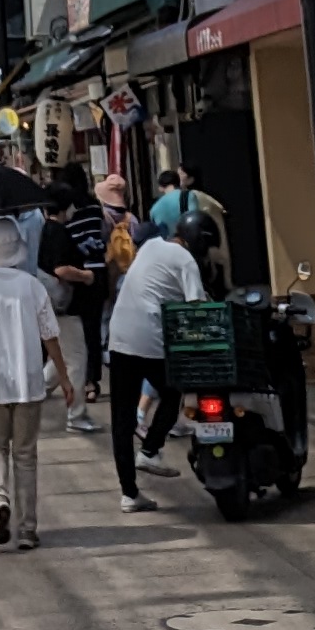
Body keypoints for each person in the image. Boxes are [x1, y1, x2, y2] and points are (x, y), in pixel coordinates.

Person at [0, 223, 72, 549]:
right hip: (28, 382)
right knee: (25, 455)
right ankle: (27, 529)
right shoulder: (32, 285)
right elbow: (50, 334)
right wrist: (63, 377)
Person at [104, 203, 204, 512]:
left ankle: (129, 494)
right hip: (151, 339)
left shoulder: (149, 247)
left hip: (119, 337)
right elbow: (197, 306)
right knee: (173, 390)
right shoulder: (186, 259)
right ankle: (150, 449)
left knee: (121, 419)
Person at [37, 167, 105, 434]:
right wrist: (86, 276)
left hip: (53, 305)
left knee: (62, 357)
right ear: (67, 206)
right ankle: (76, 415)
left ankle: (35, 391)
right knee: (77, 359)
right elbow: (61, 269)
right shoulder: (59, 232)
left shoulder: (48, 229)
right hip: (65, 305)